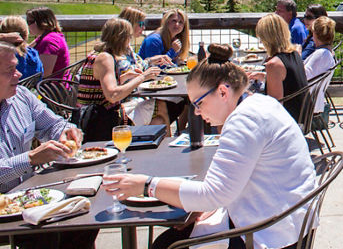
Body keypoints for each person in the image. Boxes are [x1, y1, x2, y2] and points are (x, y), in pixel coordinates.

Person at [104, 44, 318, 249]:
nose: (196, 112)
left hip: (271, 235)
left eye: (199, 103)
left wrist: (146, 185)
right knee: (172, 238)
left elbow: (211, 194)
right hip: (288, 223)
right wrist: (205, 206)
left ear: (223, 92)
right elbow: (224, 188)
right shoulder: (261, 104)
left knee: (166, 244)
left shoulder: (244, 121)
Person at [0, 42, 97, 249]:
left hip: (29, 197)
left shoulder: (22, 97)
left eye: (16, 67)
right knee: (45, 235)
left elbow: (54, 123)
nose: (18, 74)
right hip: (9, 208)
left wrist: (66, 132)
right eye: (10, 71)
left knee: (85, 216)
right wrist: (31, 158)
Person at [77, 18, 164, 142]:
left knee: (156, 112)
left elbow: (99, 86)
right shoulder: (105, 58)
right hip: (100, 121)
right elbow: (112, 95)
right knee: (159, 114)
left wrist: (124, 78)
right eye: (129, 37)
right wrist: (142, 77)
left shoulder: (97, 53)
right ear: (122, 38)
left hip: (89, 116)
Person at [119, 7, 184, 127]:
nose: (144, 28)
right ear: (129, 24)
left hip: (136, 93)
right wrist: (171, 52)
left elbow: (138, 65)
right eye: (141, 24)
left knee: (177, 103)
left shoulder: (127, 47)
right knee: (164, 106)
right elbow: (127, 74)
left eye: (180, 22)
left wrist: (149, 61)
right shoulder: (153, 40)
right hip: (129, 99)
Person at [249, 14, 308, 120]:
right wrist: (264, 76)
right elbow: (288, 81)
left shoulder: (274, 65)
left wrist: (250, 98)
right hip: (303, 115)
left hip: (288, 122)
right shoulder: (295, 53)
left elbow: (274, 106)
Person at [304, 16, 336, 117]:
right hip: (313, 100)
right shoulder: (328, 52)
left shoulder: (321, 54)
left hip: (307, 103)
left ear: (315, 34)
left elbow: (304, 75)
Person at [26, 7, 70, 78]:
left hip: (51, 86)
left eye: (29, 22)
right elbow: (26, 49)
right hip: (49, 84)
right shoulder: (45, 36)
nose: (27, 25)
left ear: (40, 22)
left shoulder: (49, 41)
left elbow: (45, 73)